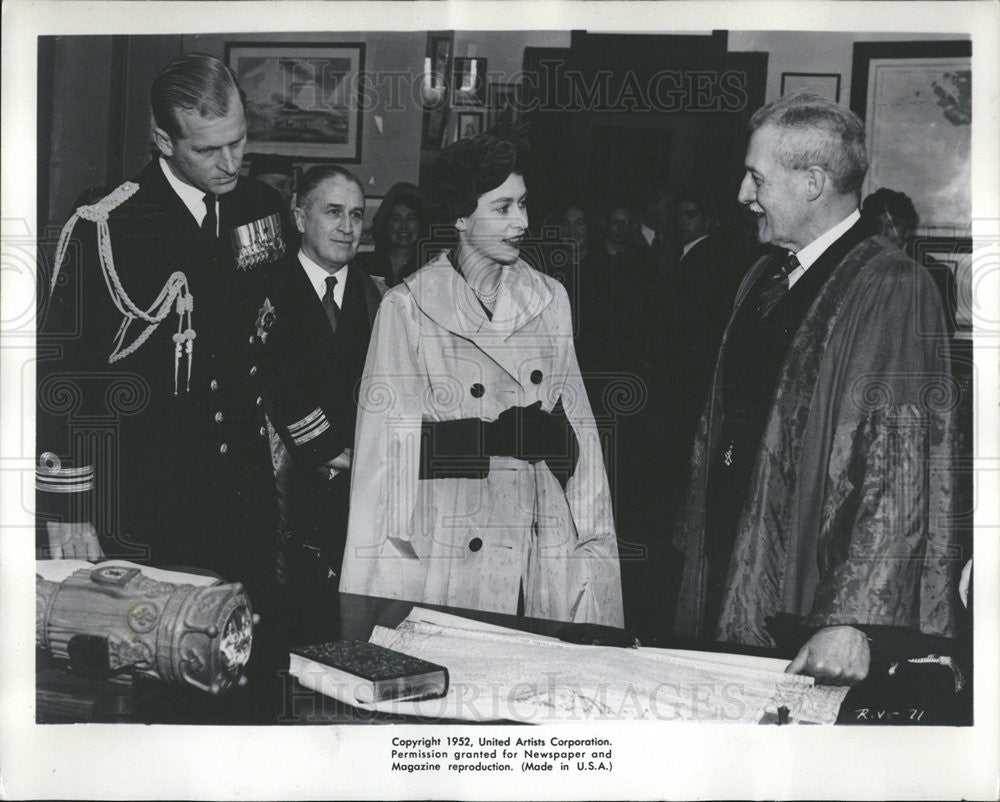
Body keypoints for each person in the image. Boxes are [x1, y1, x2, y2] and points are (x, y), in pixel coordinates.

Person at [672, 93, 959, 684]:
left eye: (756, 178)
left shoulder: (892, 285)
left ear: (811, 183)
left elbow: (898, 467)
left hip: (811, 589)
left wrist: (852, 621)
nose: (742, 196)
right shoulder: (764, 273)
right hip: (736, 563)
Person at [340, 130, 624, 626]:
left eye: (524, 204)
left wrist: (594, 554)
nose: (522, 222)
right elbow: (386, 457)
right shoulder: (408, 307)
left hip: (537, 537)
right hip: (446, 538)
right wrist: (489, 437)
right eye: (503, 208)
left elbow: (582, 437)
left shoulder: (549, 298)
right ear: (460, 217)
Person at [37, 54, 288, 599]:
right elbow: (62, 378)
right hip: (149, 498)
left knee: (248, 655)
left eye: (238, 141)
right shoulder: (109, 226)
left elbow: (278, 337)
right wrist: (69, 508)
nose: (230, 163)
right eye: (207, 149)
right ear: (162, 139)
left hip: (245, 496)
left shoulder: (260, 208)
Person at [255, 165, 387, 643]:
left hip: (360, 497)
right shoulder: (261, 289)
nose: (348, 227)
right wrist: (326, 447)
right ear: (298, 215)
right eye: (333, 212)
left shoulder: (382, 298)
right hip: (279, 493)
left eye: (357, 214)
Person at [860, 187, 958, 333]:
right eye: (879, 224)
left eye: (894, 225)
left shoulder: (937, 276)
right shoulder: (855, 270)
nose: (885, 232)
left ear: (908, 230)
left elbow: (941, 337)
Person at [357, 181, 430, 287]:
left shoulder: (429, 268)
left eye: (411, 219)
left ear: (421, 223)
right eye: (396, 219)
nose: (404, 226)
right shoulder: (362, 265)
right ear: (385, 223)